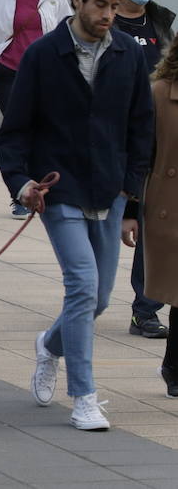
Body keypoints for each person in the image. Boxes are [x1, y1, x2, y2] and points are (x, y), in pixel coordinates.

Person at [0, 0, 154, 431]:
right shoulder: (43, 56)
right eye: (100, 5)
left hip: (113, 192)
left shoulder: (128, 54)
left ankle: (49, 344)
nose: (108, 14)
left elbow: (141, 128)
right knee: (82, 286)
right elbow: (13, 132)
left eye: (114, 5)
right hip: (59, 190)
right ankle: (84, 397)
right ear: (77, 0)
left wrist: (133, 196)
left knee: (99, 299)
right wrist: (21, 183)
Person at [115, 0, 175, 338]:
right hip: (110, 137)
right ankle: (86, 293)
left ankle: (145, 308)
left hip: (151, 135)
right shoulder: (106, 22)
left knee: (152, 221)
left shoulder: (162, 22)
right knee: (107, 226)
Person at [144, 37, 178, 398]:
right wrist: (129, 209)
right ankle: (173, 366)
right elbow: (141, 153)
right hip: (170, 207)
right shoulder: (159, 94)